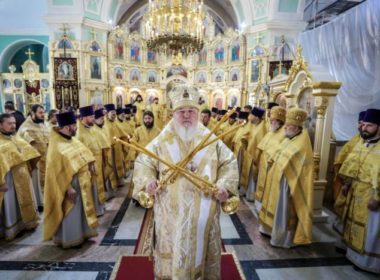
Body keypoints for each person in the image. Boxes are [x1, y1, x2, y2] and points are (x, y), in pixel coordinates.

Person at [133, 85, 239, 279]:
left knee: (201, 251)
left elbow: (229, 161)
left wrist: (224, 186)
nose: (187, 116)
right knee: (172, 251)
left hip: (204, 211)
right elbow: (143, 160)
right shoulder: (163, 139)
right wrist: (148, 181)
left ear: (197, 113)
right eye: (182, 112)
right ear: (174, 113)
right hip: (170, 214)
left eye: (191, 111)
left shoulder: (209, 137)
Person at [259, 108, 314, 248]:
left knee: (282, 211)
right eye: (286, 125)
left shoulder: (302, 145)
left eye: (289, 126)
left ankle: (282, 238)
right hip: (276, 180)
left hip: (287, 184)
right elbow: (274, 154)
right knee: (274, 207)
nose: (286, 128)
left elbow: (301, 171)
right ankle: (269, 230)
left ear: (297, 128)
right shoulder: (288, 139)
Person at [43, 111, 98, 248]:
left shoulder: (72, 140)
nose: (77, 127)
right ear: (67, 127)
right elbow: (55, 172)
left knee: (81, 211)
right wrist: (68, 188)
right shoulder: (56, 146)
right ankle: (70, 238)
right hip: (69, 185)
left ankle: (83, 234)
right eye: (74, 125)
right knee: (71, 212)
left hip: (82, 182)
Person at [338, 108, 380, 274]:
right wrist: (347, 183)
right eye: (364, 125)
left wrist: (377, 198)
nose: (364, 128)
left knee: (370, 229)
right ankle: (353, 255)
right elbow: (352, 164)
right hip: (356, 191)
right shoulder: (363, 143)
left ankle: (368, 262)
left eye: (370, 126)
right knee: (352, 224)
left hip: (371, 194)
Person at [0, 113, 40, 240]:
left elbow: (28, 153)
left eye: (14, 123)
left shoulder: (16, 138)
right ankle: (11, 229)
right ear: (0, 125)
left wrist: (29, 167)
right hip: (9, 179)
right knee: (11, 204)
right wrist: (1, 183)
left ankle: (25, 224)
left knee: (24, 201)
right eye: (9, 123)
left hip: (23, 176)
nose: (13, 126)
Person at [17, 104, 50, 211]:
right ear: (32, 113)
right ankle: (39, 204)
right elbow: (22, 145)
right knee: (36, 184)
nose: (42, 115)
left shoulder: (43, 126)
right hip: (35, 162)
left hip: (46, 159)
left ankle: (46, 201)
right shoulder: (25, 127)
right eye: (40, 113)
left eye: (43, 112)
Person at [254, 106, 286, 213]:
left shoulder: (283, 134)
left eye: (273, 120)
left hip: (271, 166)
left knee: (268, 189)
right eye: (271, 120)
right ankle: (259, 205)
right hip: (263, 164)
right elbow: (262, 144)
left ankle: (264, 208)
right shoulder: (271, 131)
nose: (271, 122)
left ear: (280, 121)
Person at [76, 105, 106, 216]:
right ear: (83, 117)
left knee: (99, 185)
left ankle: (100, 207)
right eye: (91, 116)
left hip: (97, 162)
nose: (94, 118)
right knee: (92, 188)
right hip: (89, 166)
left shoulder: (91, 129)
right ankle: (94, 210)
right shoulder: (79, 133)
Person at [242, 107, 267, 201]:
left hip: (255, 157)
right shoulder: (254, 125)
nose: (249, 116)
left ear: (256, 117)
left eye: (251, 115)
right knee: (248, 175)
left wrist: (255, 156)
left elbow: (260, 145)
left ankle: (252, 196)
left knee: (253, 177)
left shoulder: (262, 128)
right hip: (249, 154)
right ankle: (247, 192)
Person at [93, 108, 115, 200]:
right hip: (99, 158)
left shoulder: (104, 127)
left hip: (106, 155)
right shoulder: (94, 130)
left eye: (103, 118)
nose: (103, 120)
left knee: (108, 173)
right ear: (95, 119)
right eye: (101, 119)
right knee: (101, 178)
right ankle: (104, 197)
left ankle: (110, 193)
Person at [104, 104, 126, 187]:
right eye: (112, 113)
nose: (114, 115)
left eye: (114, 113)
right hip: (110, 148)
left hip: (117, 147)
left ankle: (119, 181)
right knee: (111, 165)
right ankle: (113, 185)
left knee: (119, 163)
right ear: (107, 114)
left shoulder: (115, 122)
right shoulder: (105, 124)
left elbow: (121, 131)